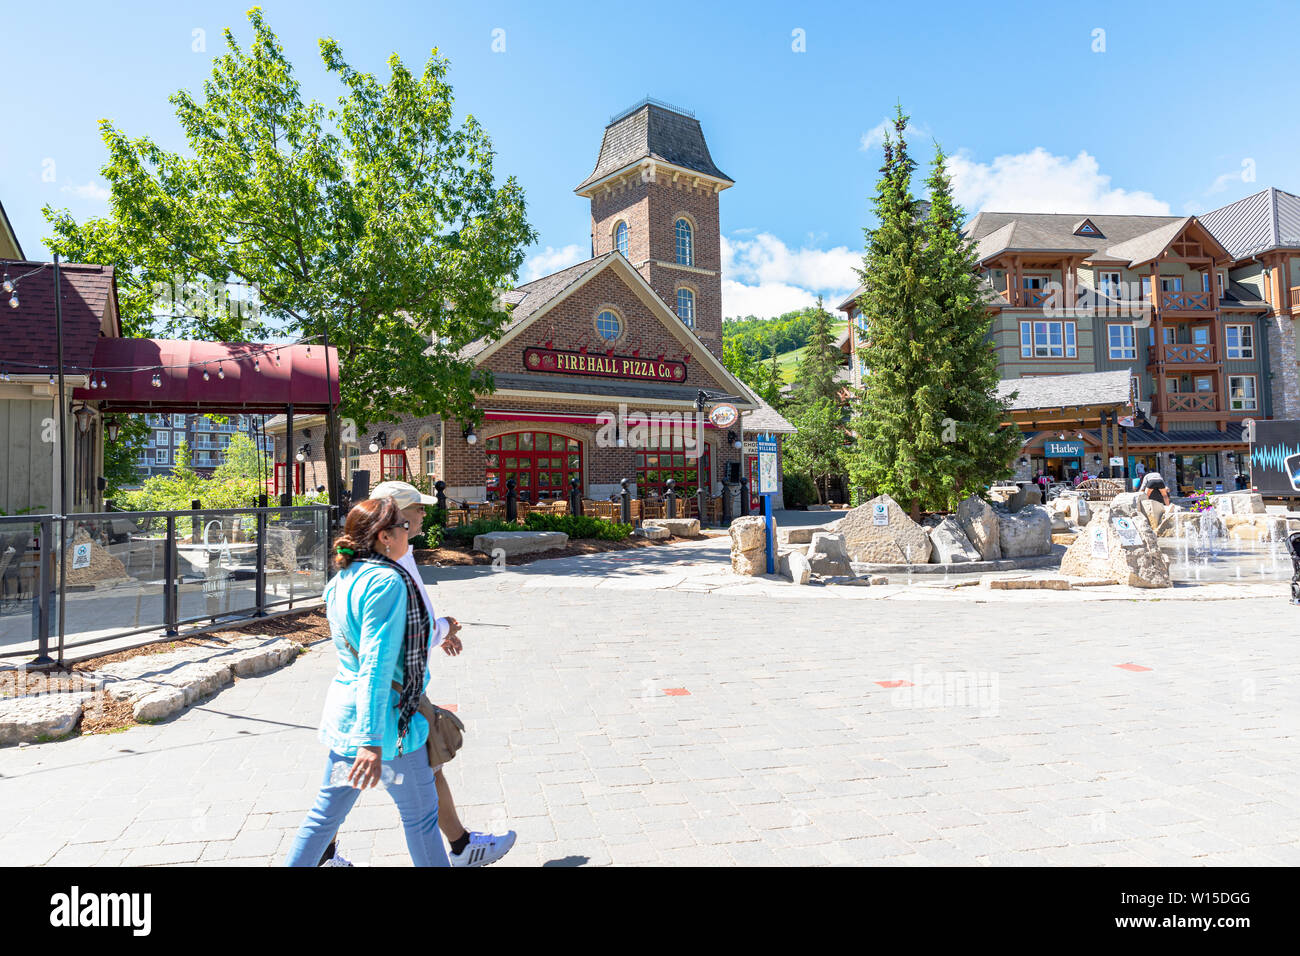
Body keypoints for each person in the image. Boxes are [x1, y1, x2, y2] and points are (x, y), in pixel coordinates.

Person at [317, 480, 516, 869]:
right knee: (415, 788)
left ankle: (324, 854)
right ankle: (460, 846)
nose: (425, 514)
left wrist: (439, 632)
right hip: (393, 704)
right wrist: (442, 629)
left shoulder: (368, 565)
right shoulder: (389, 568)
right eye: (417, 510)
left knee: (341, 798)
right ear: (391, 518)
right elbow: (403, 637)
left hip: (369, 704)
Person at [284, 497, 448, 867]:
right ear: (385, 537)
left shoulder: (343, 578)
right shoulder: (387, 581)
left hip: (345, 721)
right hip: (389, 731)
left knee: (324, 818)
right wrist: (372, 743)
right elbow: (375, 665)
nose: (410, 533)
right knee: (421, 819)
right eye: (404, 527)